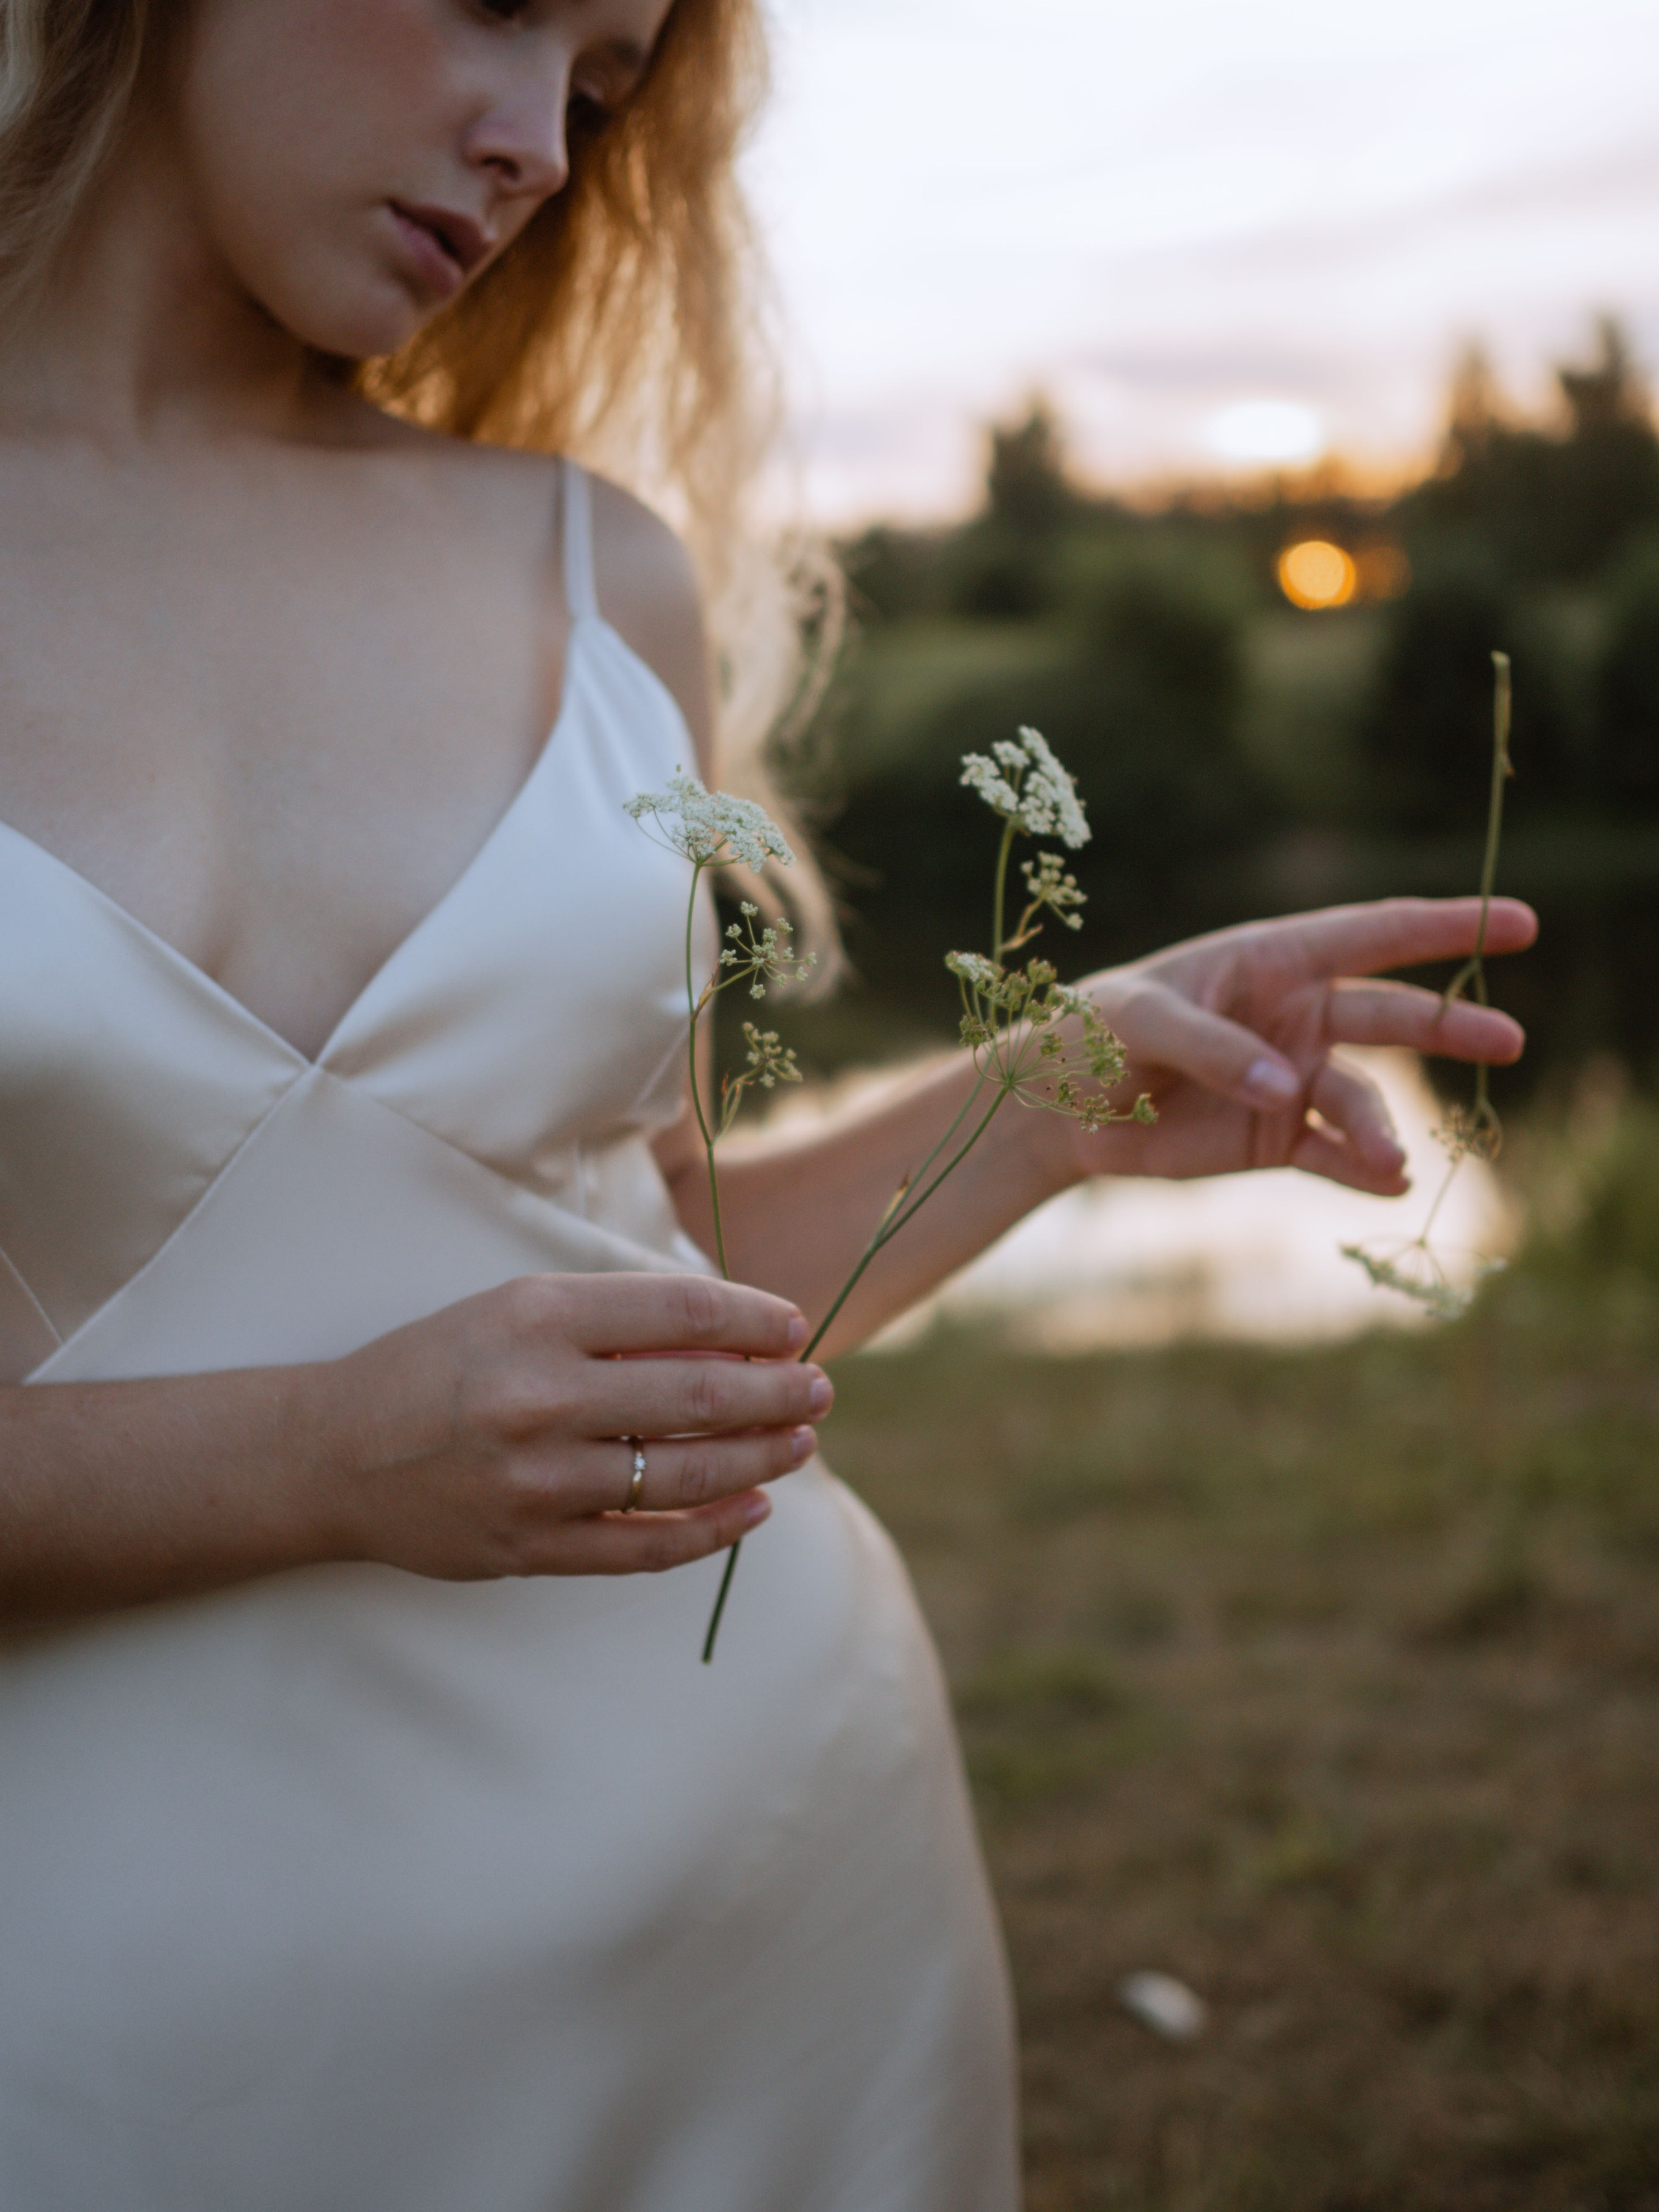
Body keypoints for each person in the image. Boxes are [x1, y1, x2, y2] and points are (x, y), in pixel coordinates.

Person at [0, 3, 1536, 2207]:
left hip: (761, 1915)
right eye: (505, 7)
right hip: (124, 2020)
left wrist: (1038, 1108)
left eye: (604, 89)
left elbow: (661, 1267)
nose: (538, 144)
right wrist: (326, 1452)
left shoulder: (590, 573)